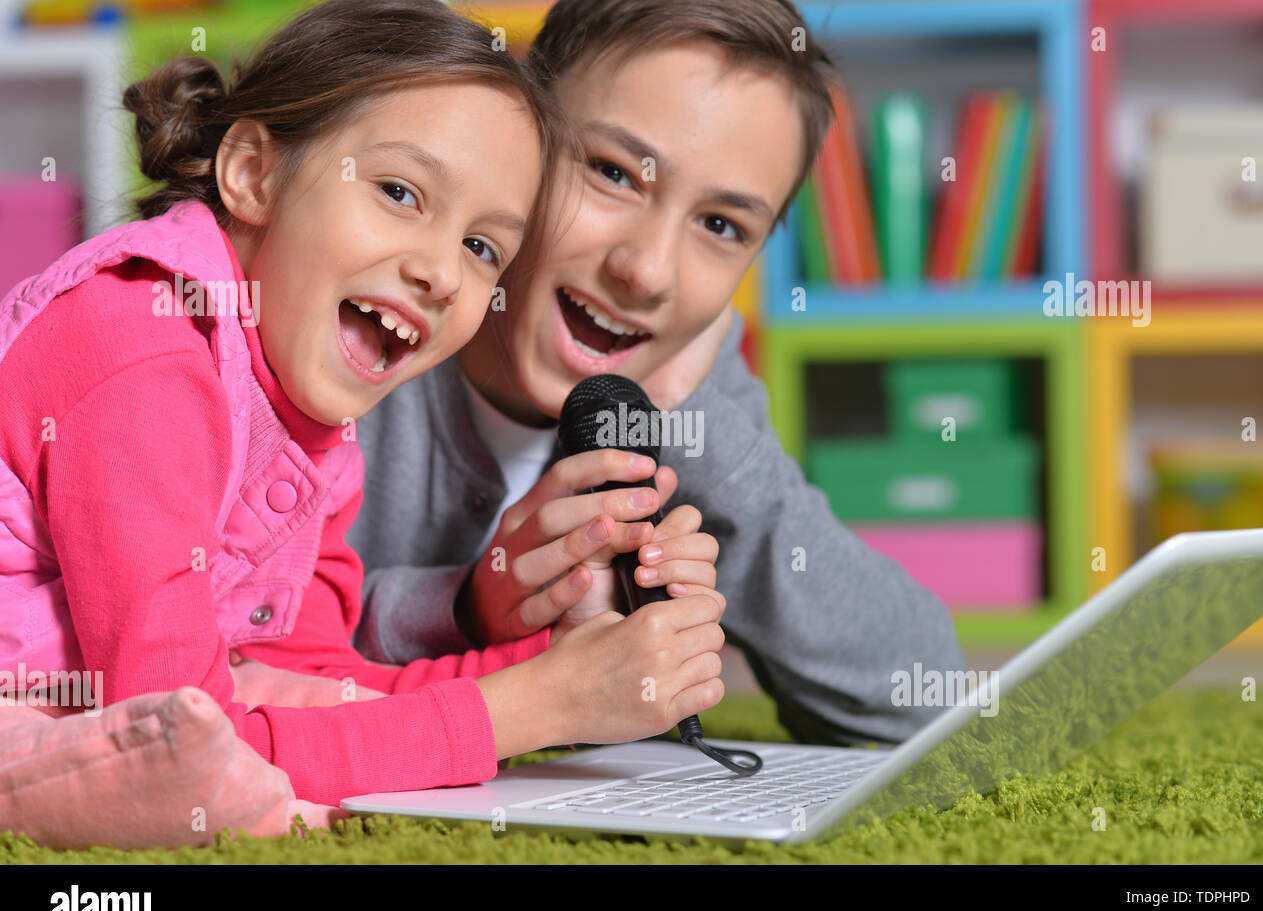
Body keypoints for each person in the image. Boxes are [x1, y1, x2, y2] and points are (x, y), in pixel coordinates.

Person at [0, 0, 726, 808]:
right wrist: (534, 708)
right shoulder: (142, 340)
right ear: (252, 173)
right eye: (401, 191)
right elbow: (180, 725)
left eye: (482, 247)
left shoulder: (311, 431)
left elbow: (316, 682)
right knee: (198, 781)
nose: (443, 273)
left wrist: (580, 657)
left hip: (91, 710)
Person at [350, 0, 965, 747]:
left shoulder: (688, 380)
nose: (645, 271)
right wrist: (466, 609)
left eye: (720, 226)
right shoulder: (369, 309)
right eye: (613, 172)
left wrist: (697, 425)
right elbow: (240, 646)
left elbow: (925, 686)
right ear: (523, 131)